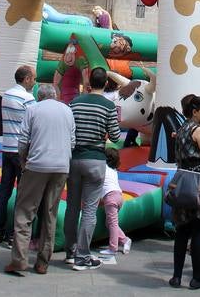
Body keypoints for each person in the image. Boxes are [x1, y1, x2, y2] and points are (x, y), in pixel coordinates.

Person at [4, 83, 75, 276]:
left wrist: (23, 160)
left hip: (37, 165)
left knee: (25, 212)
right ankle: (43, 261)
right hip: (61, 166)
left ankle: (19, 259)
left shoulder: (33, 109)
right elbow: (72, 141)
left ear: (40, 96)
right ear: (55, 95)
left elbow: (23, 139)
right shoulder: (67, 110)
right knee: (49, 213)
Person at [63, 66, 123, 271]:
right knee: (89, 209)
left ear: (88, 83)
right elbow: (115, 136)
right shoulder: (108, 106)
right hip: (96, 160)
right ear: (105, 83)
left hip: (73, 159)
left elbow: (68, 129)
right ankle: (83, 256)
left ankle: (70, 252)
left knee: (72, 206)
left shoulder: (75, 102)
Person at [169, 94, 200, 290]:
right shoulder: (198, 131)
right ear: (194, 111)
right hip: (199, 183)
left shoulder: (181, 129)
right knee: (198, 229)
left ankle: (176, 277)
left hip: (181, 181)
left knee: (182, 230)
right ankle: (197, 277)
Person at [0, 65, 36, 245]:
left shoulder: (7, 95)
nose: (34, 81)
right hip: (21, 149)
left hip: (7, 146)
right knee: (22, 192)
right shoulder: (28, 98)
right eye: (33, 78)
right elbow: (34, 121)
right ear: (26, 79)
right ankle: (13, 233)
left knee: (4, 189)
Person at [98, 147, 131, 256]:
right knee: (110, 223)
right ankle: (125, 240)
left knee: (112, 223)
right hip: (119, 196)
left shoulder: (103, 168)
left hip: (110, 197)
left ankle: (113, 248)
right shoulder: (113, 170)